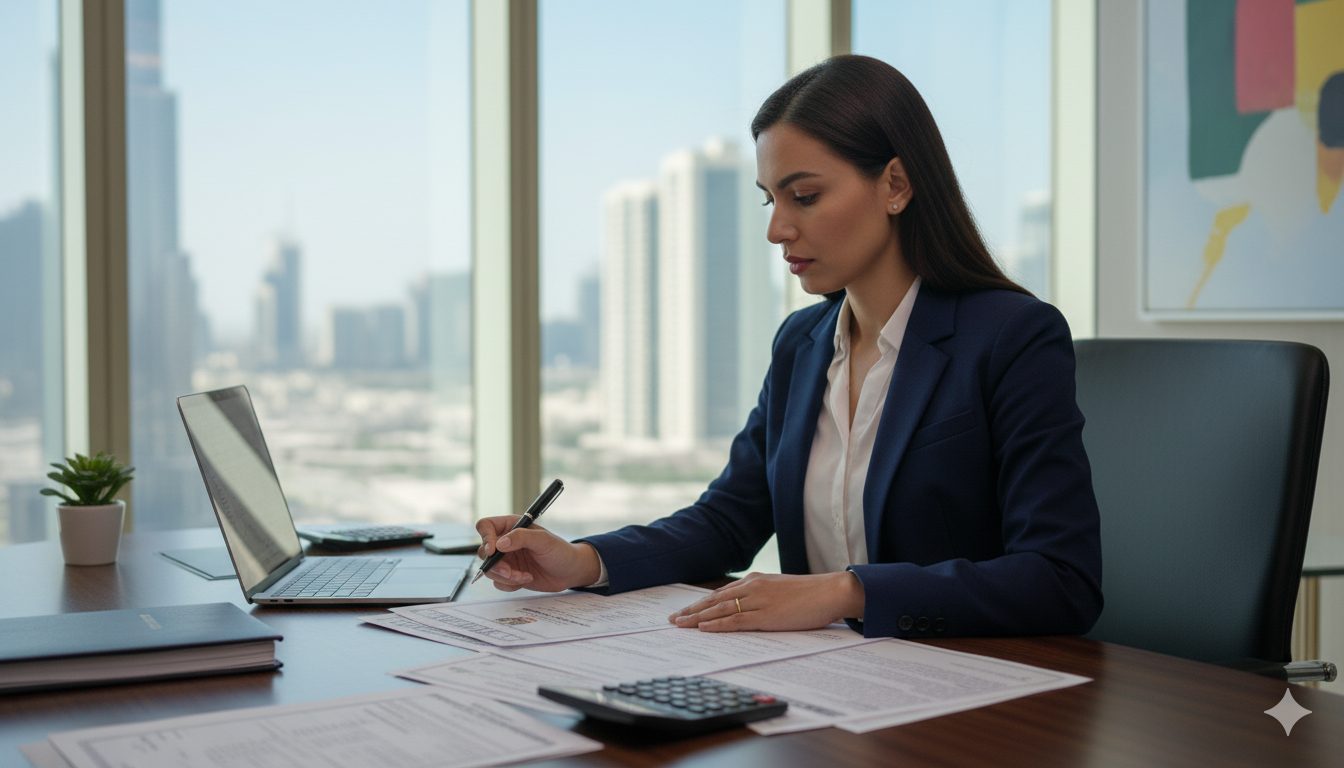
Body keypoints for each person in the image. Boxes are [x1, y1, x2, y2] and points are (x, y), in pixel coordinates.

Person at [475, 54, 1103, 639]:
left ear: (896, 184)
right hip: (821, 685)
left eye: (804, 196)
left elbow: (1060, 579)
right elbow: (729, 519)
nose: (778, 228)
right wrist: (583, 561)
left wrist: (845, 593)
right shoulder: (801, 344)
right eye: (770, 199)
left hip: (965, 693)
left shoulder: (1012, 336)